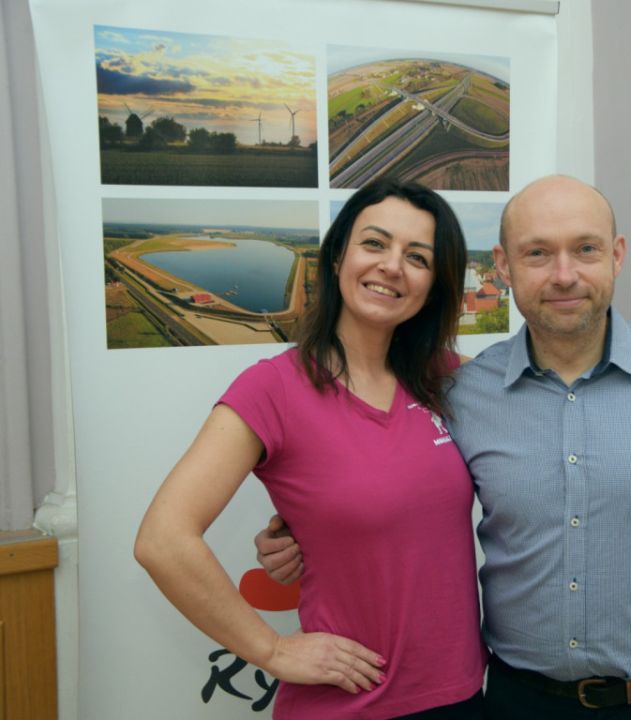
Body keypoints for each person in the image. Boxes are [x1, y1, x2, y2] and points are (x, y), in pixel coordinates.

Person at [258, 175, 631, 719]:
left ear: (617, 255)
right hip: (517, 704)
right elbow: (391, 485)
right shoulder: (462, 393)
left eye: (585, 249)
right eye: (537, 253)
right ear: (503, 265)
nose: (564, 275)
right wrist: (303, 533)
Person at [135, 178, 488, 719]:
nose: (392, 266)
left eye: (417, 257)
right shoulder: (273, 388)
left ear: (433, 284)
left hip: (459, 696)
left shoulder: (447, 378)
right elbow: (163, 540)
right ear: (339, 255)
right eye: (375, 243)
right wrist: (271, 650)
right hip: (350, 705)